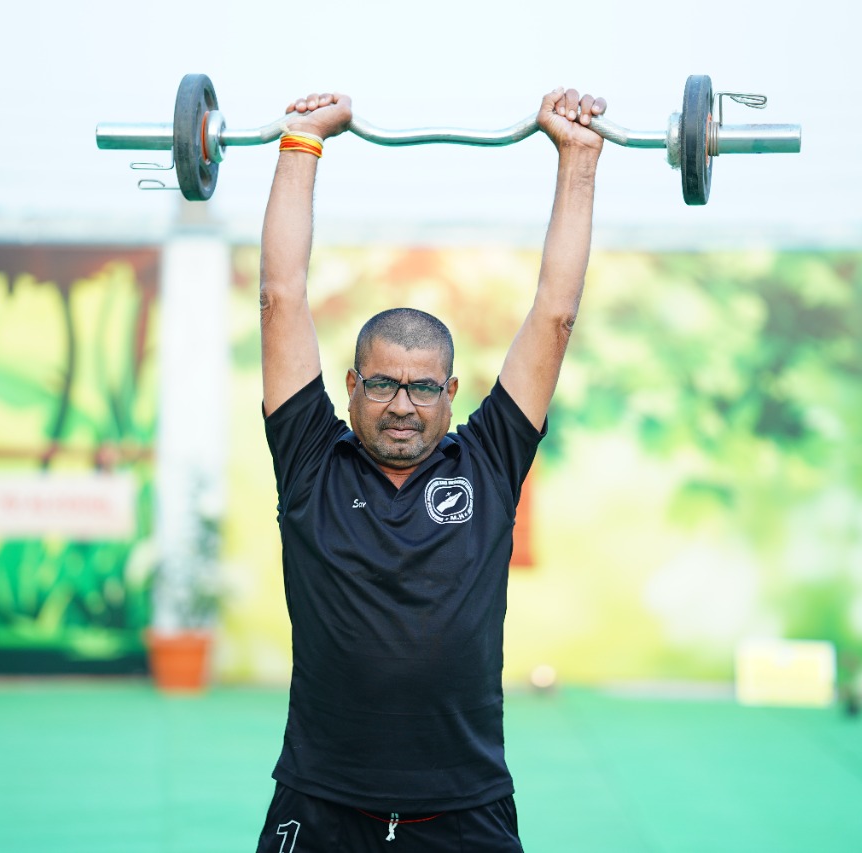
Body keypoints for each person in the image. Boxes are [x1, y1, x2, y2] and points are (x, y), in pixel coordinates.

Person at [256, 86, 606, 852]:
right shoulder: (311, 461)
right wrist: (302, 144)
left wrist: (578, 157)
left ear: (451, 393)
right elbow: (281, 296)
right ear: (352, 386)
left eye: (421, 387)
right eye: (382, 383)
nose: (401, 405)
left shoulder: (489, 461)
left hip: (464, 811)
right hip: (321, 804)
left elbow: (555, 313)